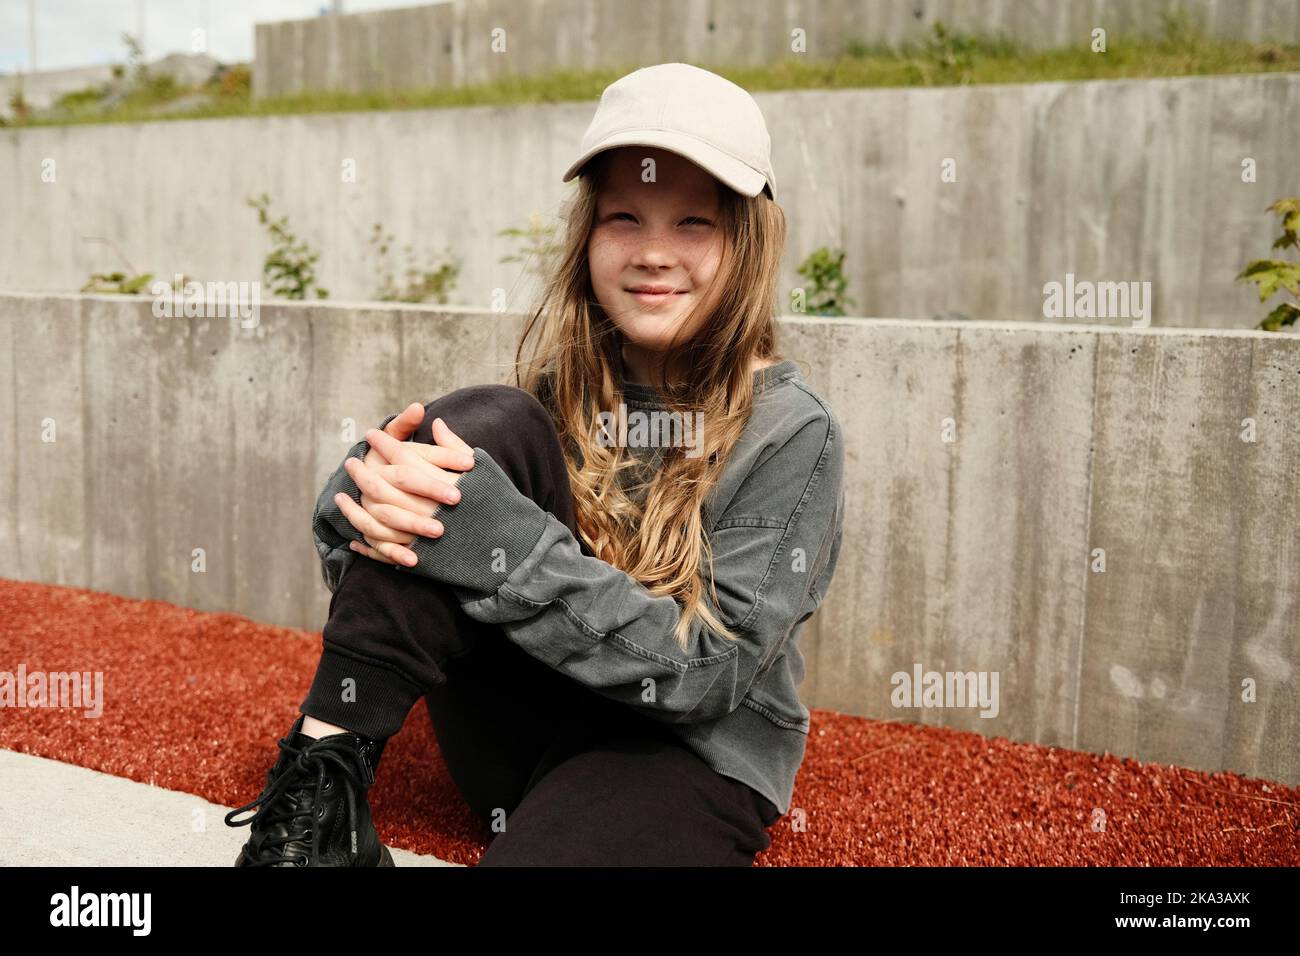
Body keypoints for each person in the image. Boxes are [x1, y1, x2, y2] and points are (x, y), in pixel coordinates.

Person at [224, 62, 846, 867]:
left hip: (684, 755)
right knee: (481, 421)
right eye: (625, 216)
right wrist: (370, 482)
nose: (655, 253)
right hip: (519, 736)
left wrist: (496, 542)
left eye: (694, 223)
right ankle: (318, 804)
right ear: (588, 235)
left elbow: (707, 673)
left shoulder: (793, 431)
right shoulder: (557, 394)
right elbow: (354, 563)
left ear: (749, 242)